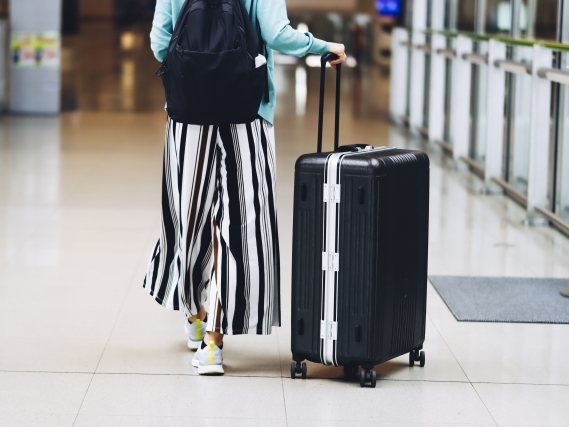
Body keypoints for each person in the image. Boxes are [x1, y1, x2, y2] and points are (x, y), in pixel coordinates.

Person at [143, 0, 346, 376]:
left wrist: (195, 70)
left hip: (188, 117)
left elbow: (159, 43)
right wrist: (324, 47)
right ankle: (214, 343)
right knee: (241, 224)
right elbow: (277, 35)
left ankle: (194, 312)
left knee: (187, 216)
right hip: (246, 116)